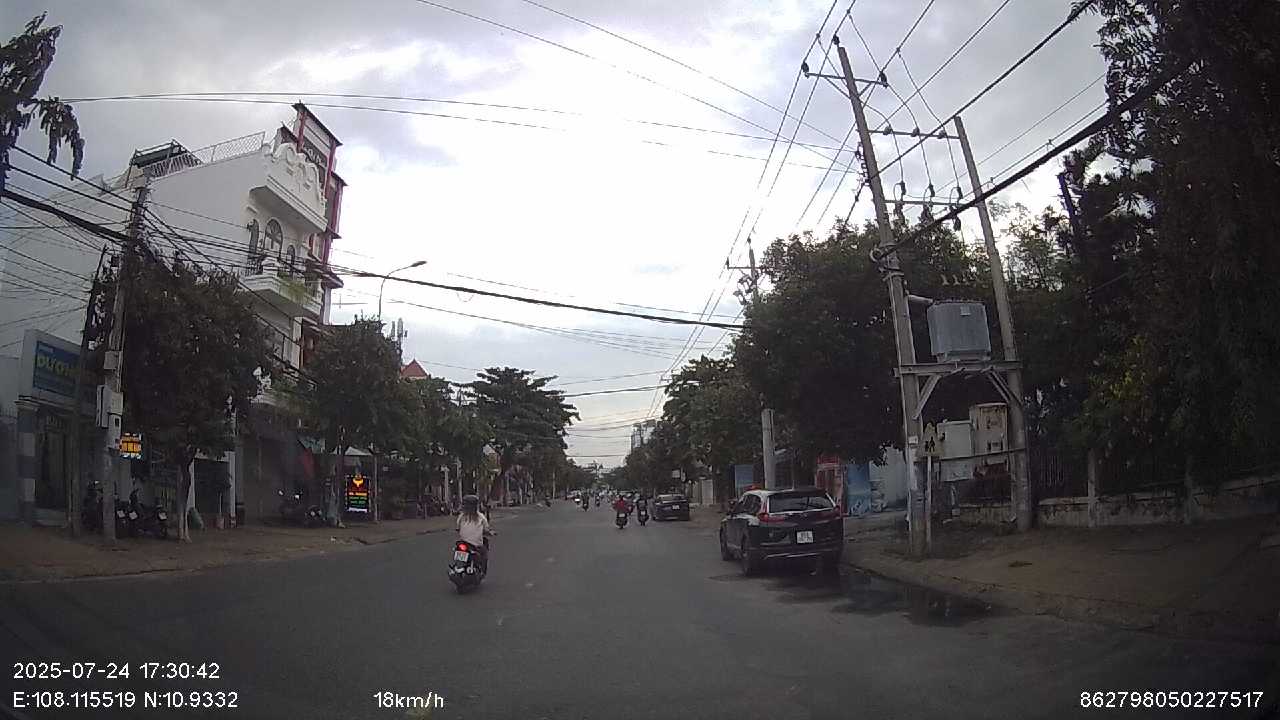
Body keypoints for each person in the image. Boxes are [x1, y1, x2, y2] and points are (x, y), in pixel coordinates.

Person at [456, 495, 493, 572]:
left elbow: (457, 528)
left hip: (463, 543)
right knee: (484, 553)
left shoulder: (461, 517)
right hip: (476, 545)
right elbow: (486, 529)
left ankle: (458, 566)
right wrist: (490, 532)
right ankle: (482, 570)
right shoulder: (481, 517)